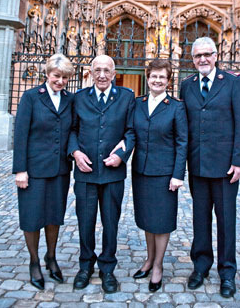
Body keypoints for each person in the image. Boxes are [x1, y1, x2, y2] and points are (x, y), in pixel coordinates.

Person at [180, 37, 240, 298]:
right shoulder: (186, 86)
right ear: (192, 59)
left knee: (226, 221)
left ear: (216, 55)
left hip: (225, 169)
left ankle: (227, 272)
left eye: (207, 54)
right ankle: (200, 266)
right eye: (198, 55)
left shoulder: (233, 83)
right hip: (197, 165)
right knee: (200, 220)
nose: (203, 59)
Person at [68, 55, 135, 293]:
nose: (102, 75)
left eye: (107, 70)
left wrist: (122, 155)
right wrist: (75, 152)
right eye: (98, 70)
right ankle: (85, 265)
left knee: (110, 223)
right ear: (91, 72)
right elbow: (72, 129)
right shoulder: (79, 98)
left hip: (112, 173)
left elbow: (131, 131)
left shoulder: (126, 97)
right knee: (85, 223)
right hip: (85, 172)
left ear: (114, 73)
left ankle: (107, 267)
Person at [13, 54, 75, 290]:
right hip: (34, 169)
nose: (59, 81)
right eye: (56, 76)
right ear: (47, 74)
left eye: (64, 77)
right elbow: (21, 135)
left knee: (53, 216)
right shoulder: (31, 97)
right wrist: (20, 170)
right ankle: (34, 261)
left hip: (59, 169)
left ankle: (51, 256)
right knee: (31, 217)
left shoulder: (69, 100)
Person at [132, 60, 188, 291]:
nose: (157, 80)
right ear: (147, 78)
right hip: (141, 171)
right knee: (147, 219)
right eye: (153, 76)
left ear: (168, 80)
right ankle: (148, 259)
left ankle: (158, 266)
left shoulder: (176, 107)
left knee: (162, 221)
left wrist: (178, 175)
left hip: (165, 174)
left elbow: (182, 142)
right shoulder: (138, 104)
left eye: (162, 77)